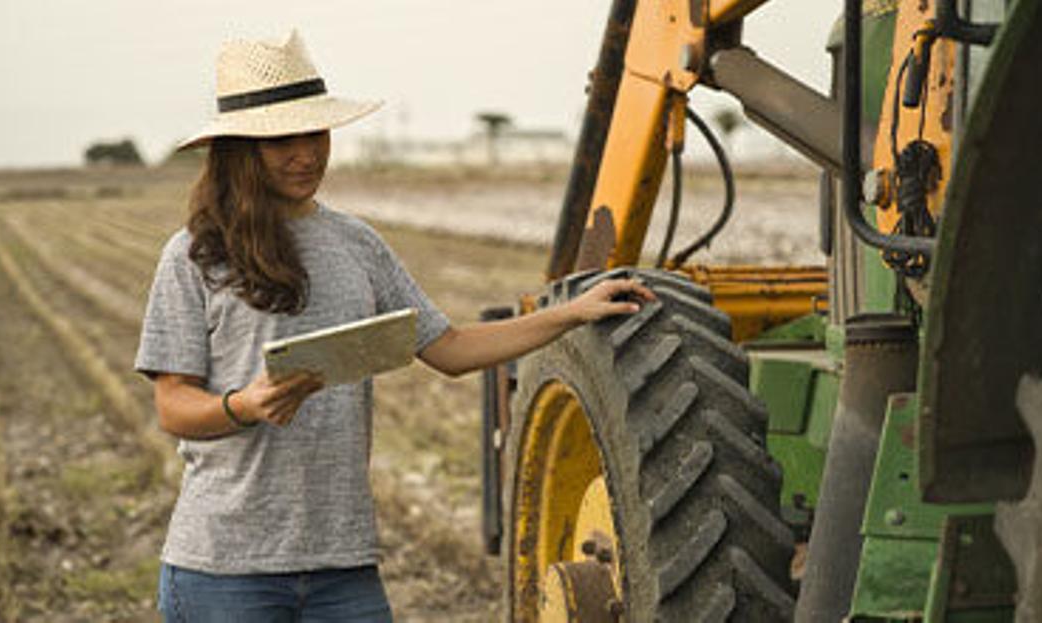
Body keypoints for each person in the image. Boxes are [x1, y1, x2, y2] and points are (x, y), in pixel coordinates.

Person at [134, 31, 655, 622]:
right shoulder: (195, 255)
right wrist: (244, 405)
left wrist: (572, 312)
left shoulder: (357, 244)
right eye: (282, 139)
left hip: (342, 566)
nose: (305, 153)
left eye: (315, 133)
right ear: (240, 149)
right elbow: (173, 406)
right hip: (225, 571)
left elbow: (451, 349)